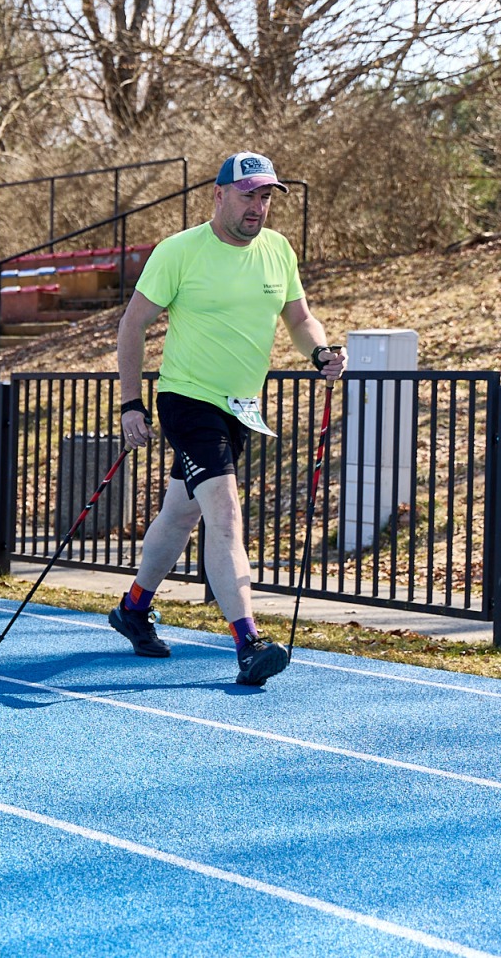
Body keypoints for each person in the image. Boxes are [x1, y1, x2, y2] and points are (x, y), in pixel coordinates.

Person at [111, 152, 346, 685]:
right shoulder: (179, 251)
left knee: (179, 515)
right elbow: (132, 326)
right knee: (225, 513)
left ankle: (133, 608)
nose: (257, 207)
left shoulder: (278, 250)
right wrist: (131, 404)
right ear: (219, 195)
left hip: (242, 408)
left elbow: (299, 317)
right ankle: (248, 641)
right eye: (248, 195)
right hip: (187, 401)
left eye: (266, 197)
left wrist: (320, 352)